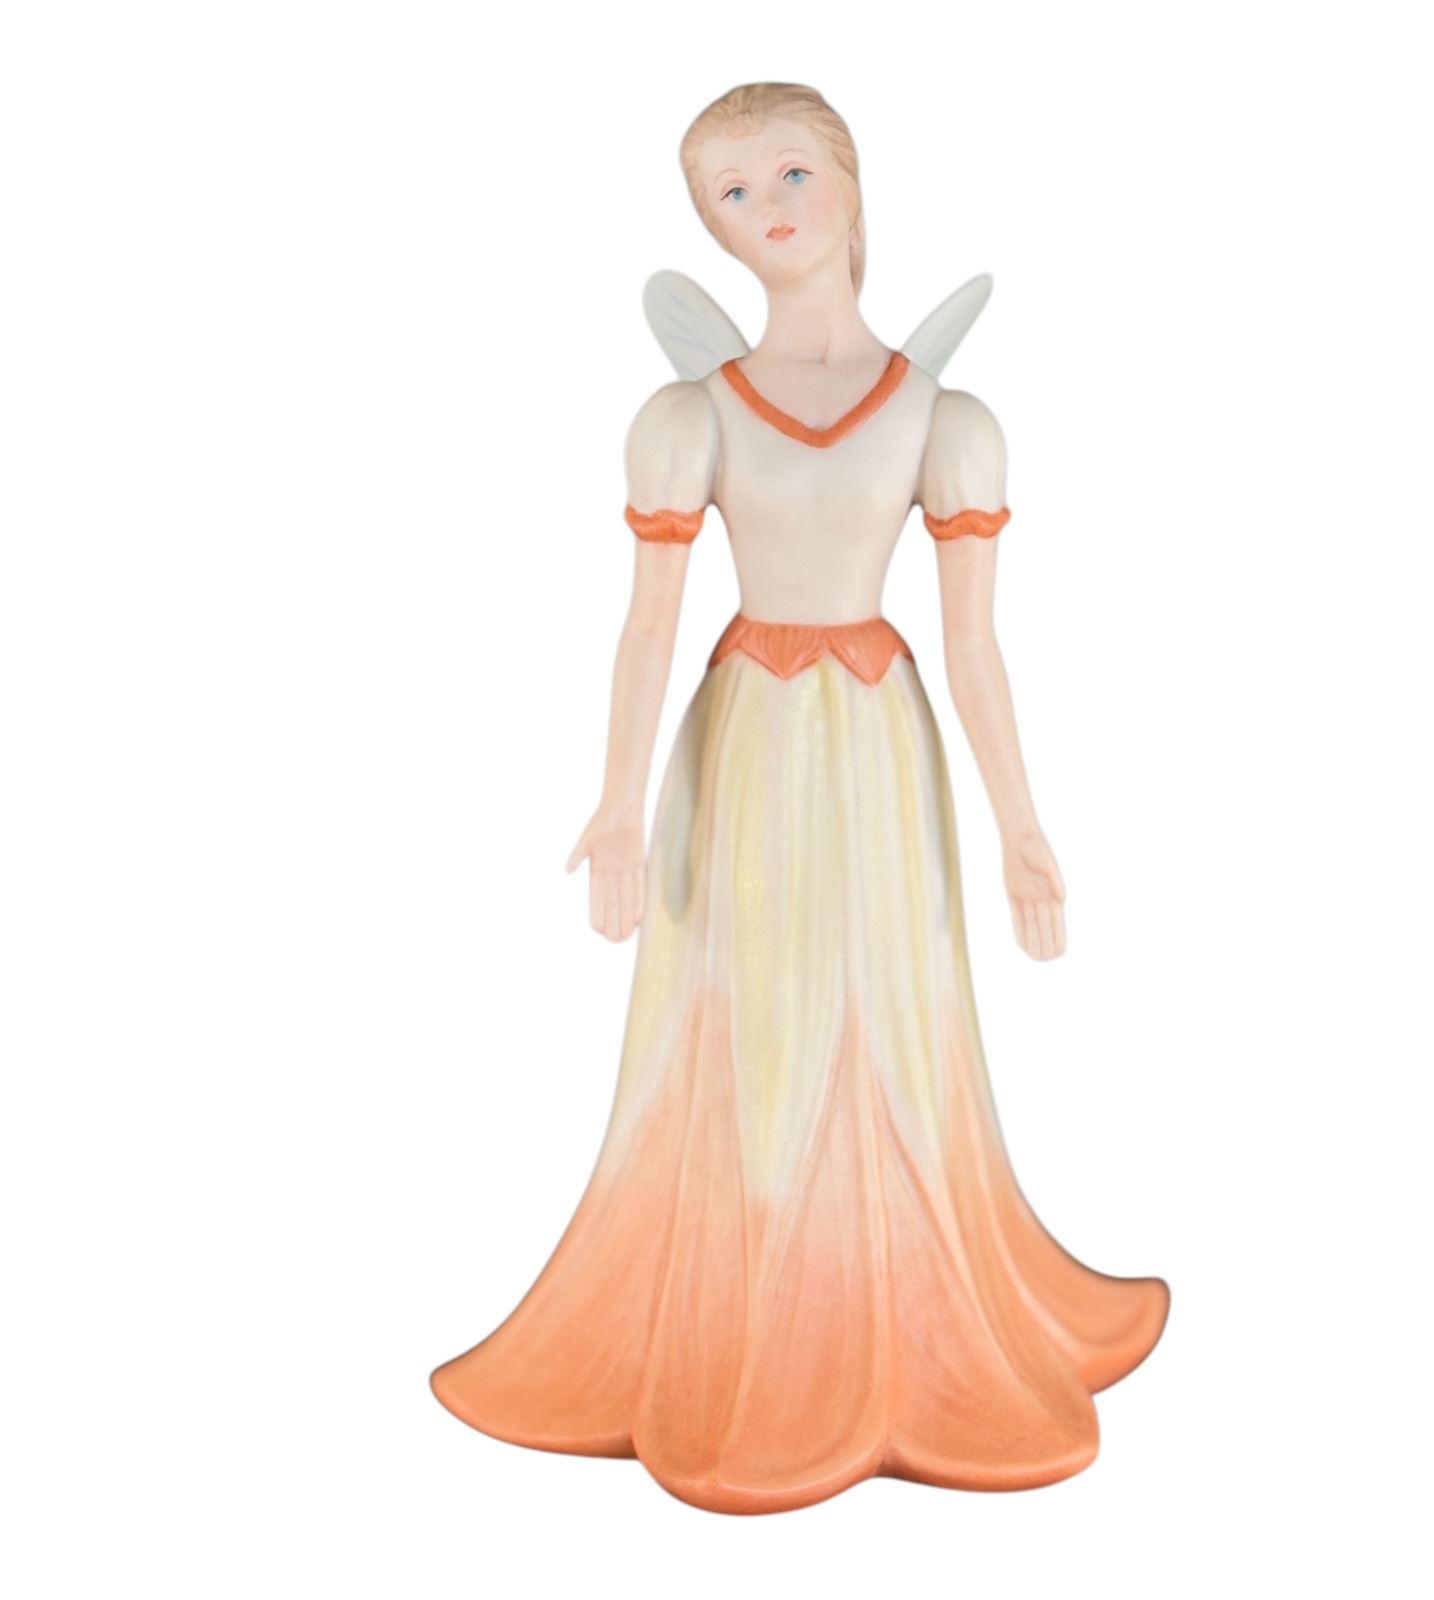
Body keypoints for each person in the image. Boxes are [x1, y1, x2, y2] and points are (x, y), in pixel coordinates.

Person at [430, 81, 1168, 1516]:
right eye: (730, 194)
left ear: (848, 180)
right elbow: (647, 622)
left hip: (881, 746)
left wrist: (1021, 824)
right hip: (749, 746)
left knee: (892, 1011)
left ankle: (901, 1292)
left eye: (787, 176)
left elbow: (975, 644)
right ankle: (755, 1298)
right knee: (754, 1017)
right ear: (705, 228)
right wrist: (617, 802)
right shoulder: (690, 416)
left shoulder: (947, 421)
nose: (766, 210)